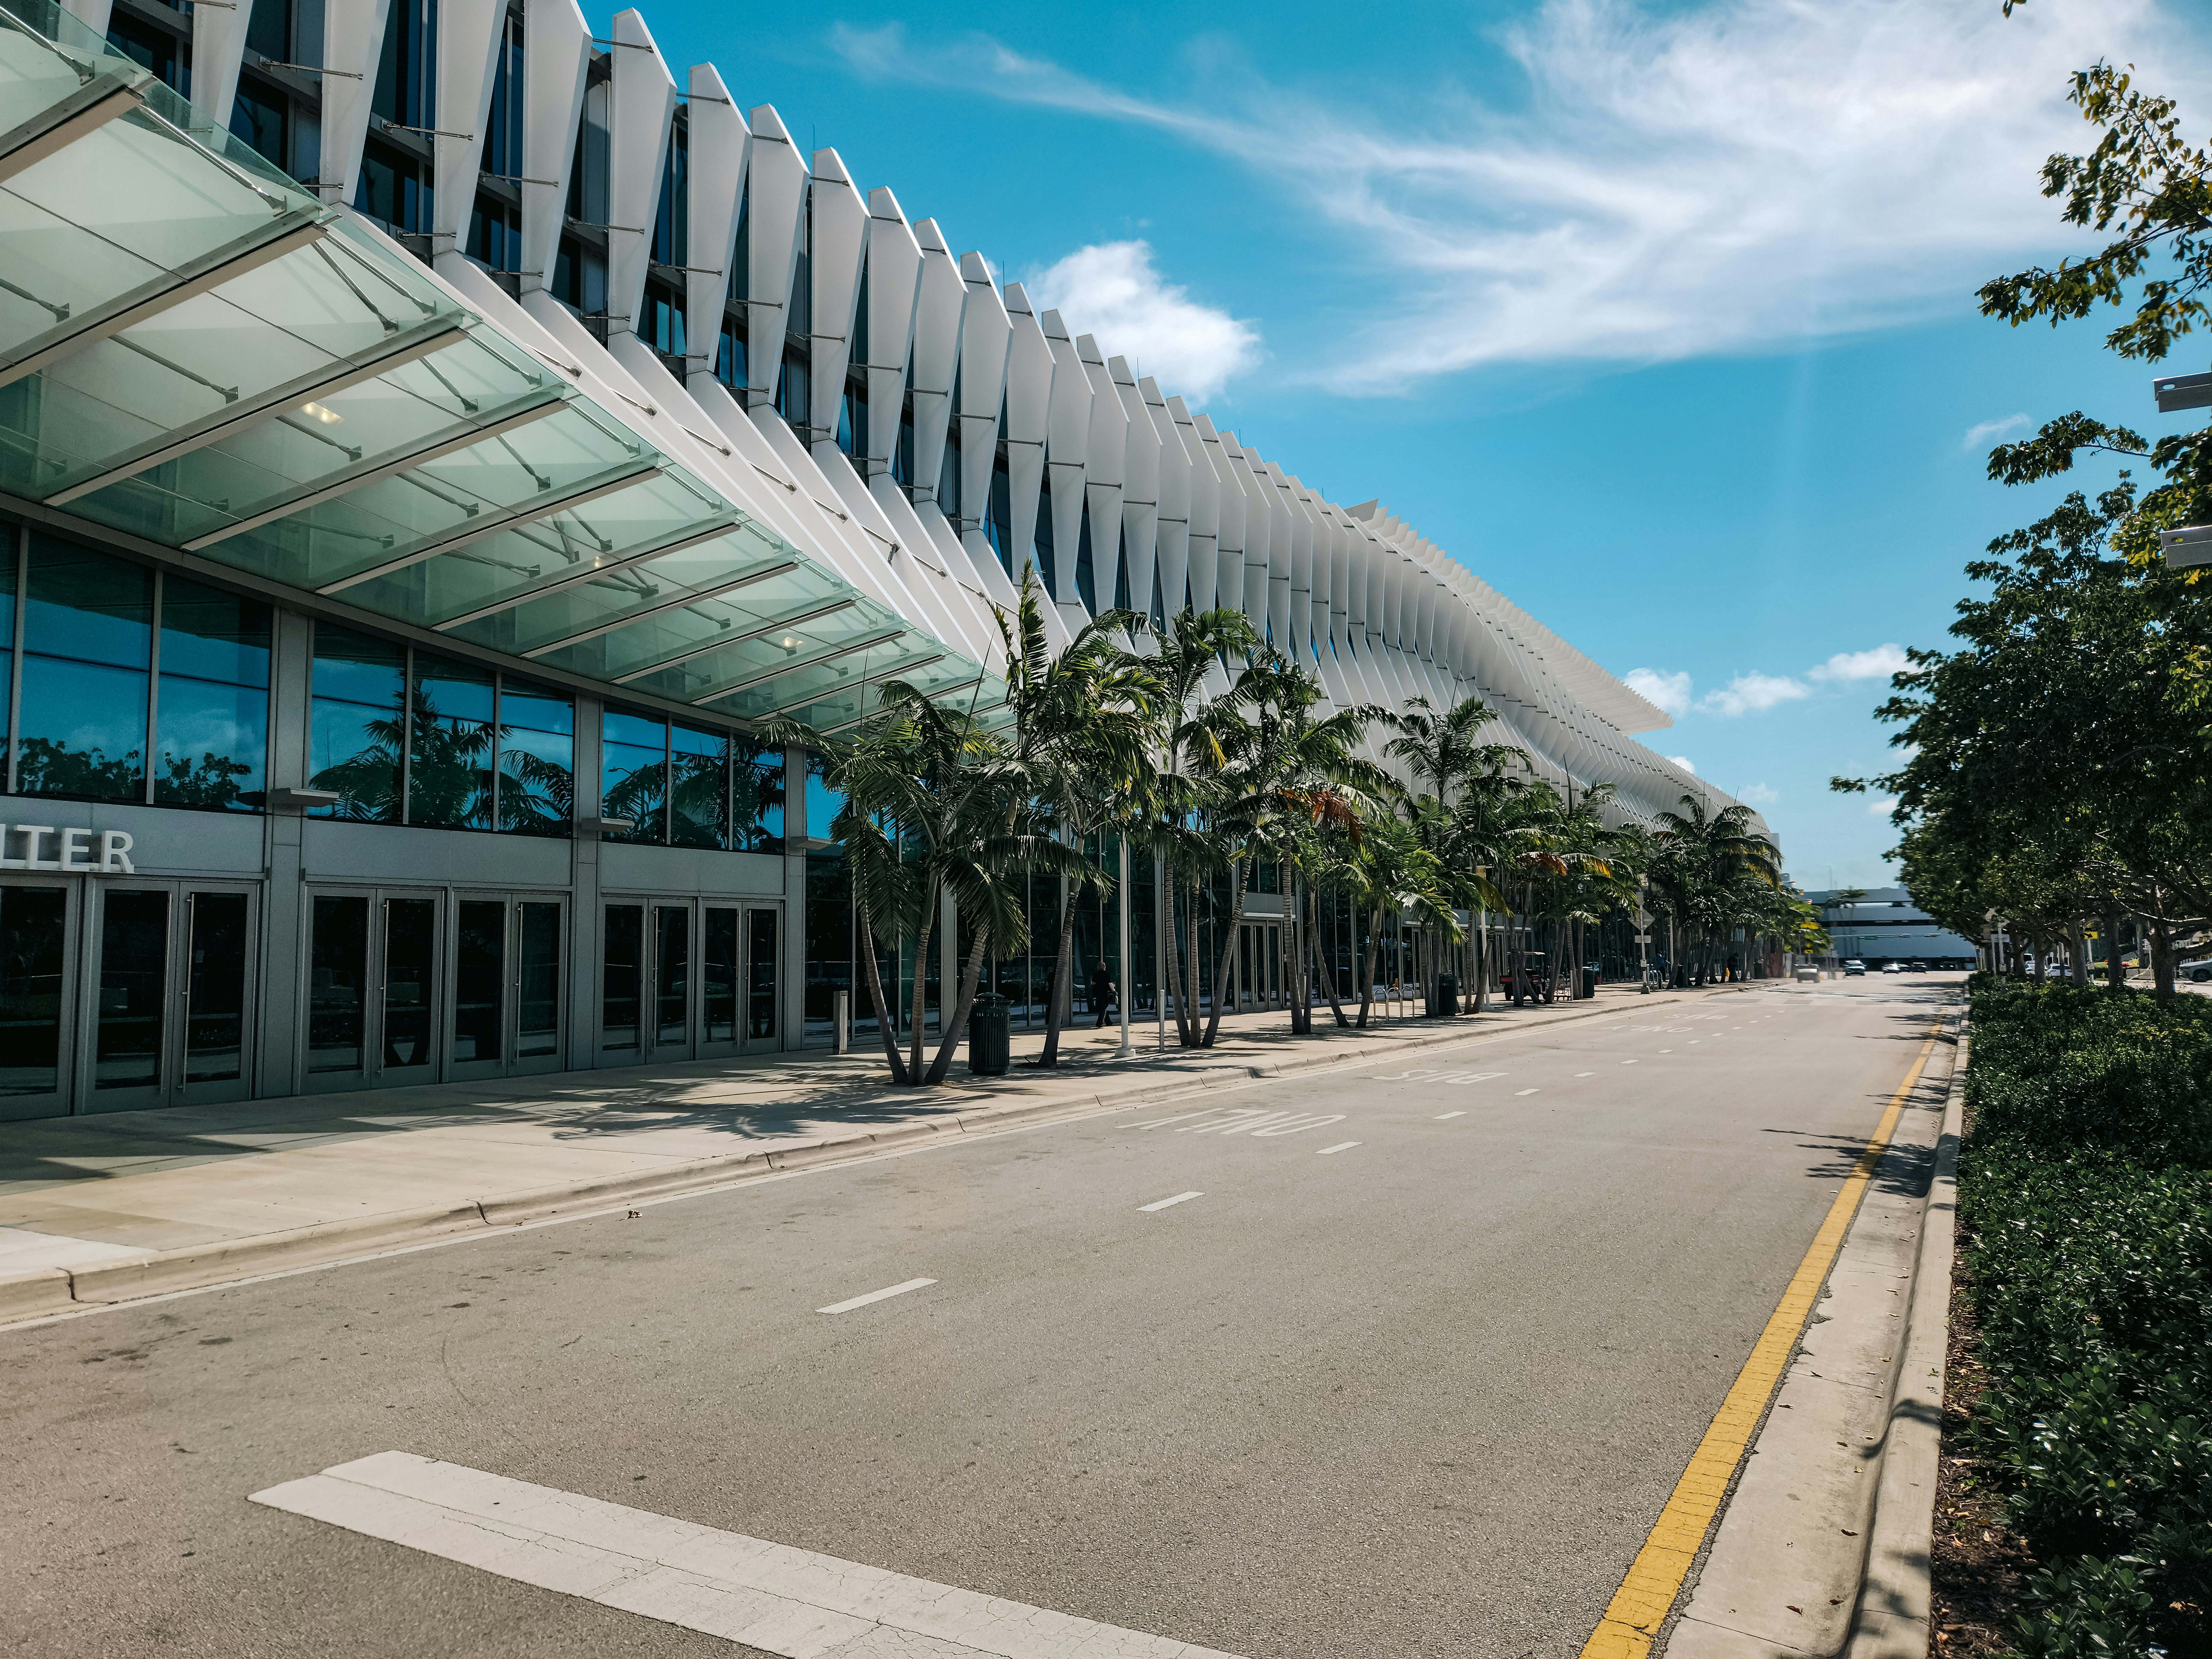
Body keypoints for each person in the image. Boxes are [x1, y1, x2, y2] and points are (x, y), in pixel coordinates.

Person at [1090, 958, 1118, 1028]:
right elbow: (1110, 984)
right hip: (1105, 993)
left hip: (1098, 993)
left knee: (1102, 1008)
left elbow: (1093, 984)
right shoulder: (1106, 975)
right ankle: (1101, 1023)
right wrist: (1113, 991)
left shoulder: (1096, 975)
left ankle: (1107, 1022)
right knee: (1103, 1008)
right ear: (1104, 967)